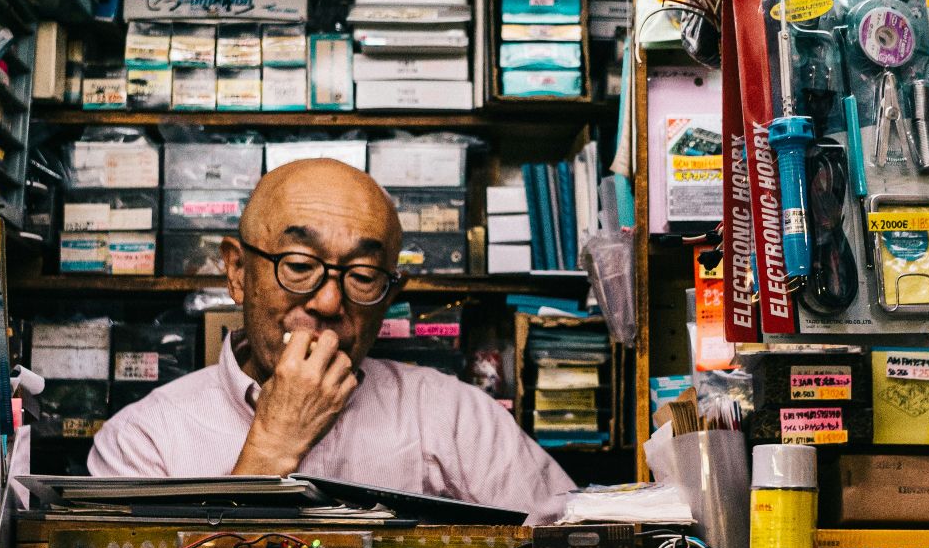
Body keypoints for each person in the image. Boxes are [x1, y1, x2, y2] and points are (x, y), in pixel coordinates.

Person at [87, 159, 574, 514]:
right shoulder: (144, 439)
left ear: (388, 296)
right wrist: (273, 445)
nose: (327, 302)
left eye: (362, 275)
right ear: (237, 272)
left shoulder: (455, 417)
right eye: (298, 266)